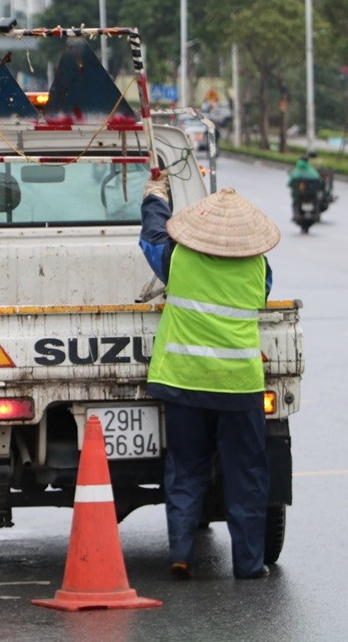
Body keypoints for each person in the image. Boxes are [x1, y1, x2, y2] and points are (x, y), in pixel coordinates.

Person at [139, 177, 280, 581]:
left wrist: (155, 197)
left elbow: (151, 235)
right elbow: (262, 295)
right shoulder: (258, 268)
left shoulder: (176, 259)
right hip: (239, 387)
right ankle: (250, 564)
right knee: (246, 476)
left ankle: (181, 553)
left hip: (184, 383)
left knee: (185, 469)